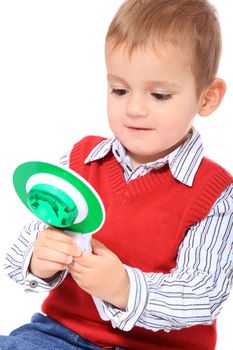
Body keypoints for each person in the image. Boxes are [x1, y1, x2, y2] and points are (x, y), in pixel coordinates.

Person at [1, 0, 233, 349]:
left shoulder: (213, 193)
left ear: (207, 98)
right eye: (119, 90)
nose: (134, 108)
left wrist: (125, 288)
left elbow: (203, 293)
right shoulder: (82, 160)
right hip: (60, 335)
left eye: (159, 95)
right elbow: (28, 242)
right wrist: (39, 257)